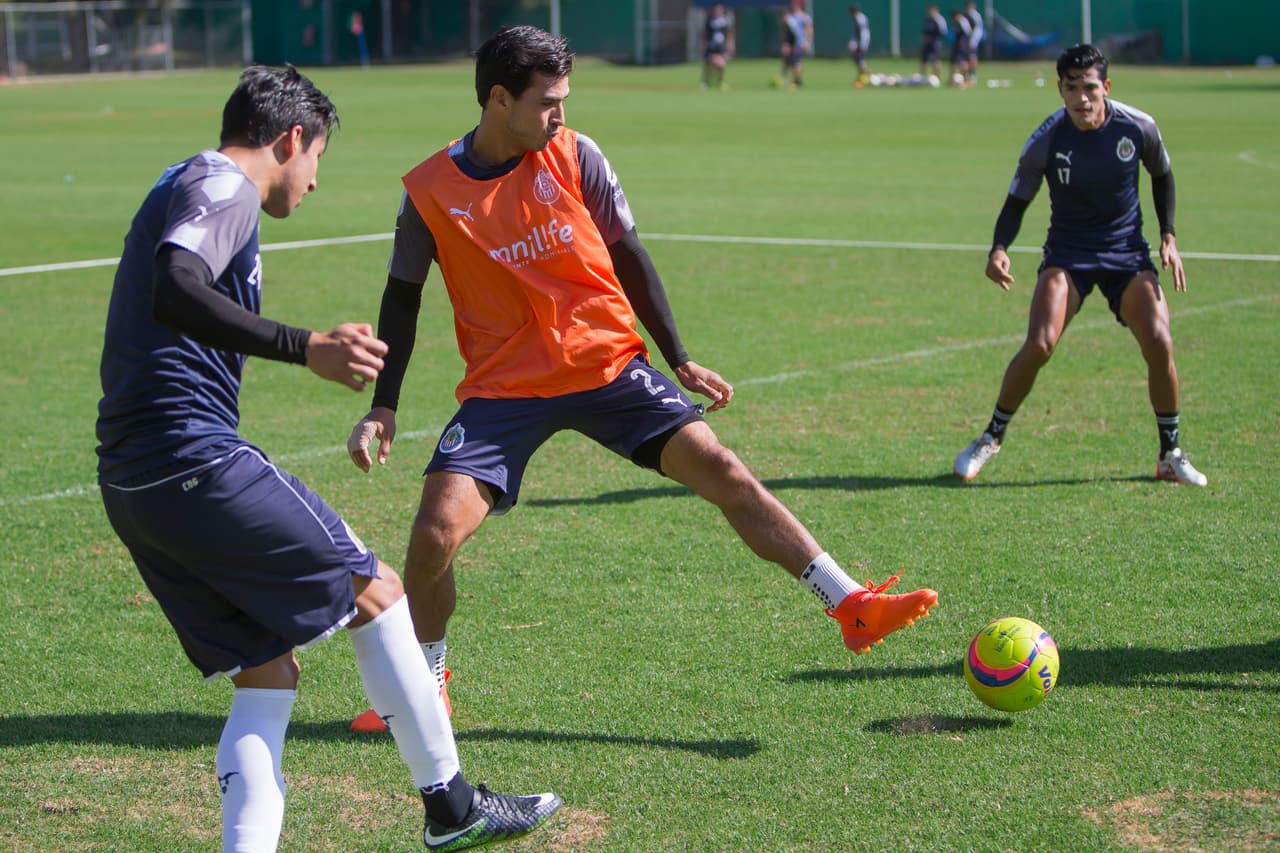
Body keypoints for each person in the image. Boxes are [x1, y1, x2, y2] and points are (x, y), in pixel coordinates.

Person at [346, 25, 939, 729]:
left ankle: (851, 604)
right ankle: (426, 684)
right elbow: (401, 298)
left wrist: (679, 355)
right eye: (548, 102)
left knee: (724, 469)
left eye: (564, 100)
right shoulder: (430, 192)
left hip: (606, 363)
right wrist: (384, 405)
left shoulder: (575, 154)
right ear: (498, 99)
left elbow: (629, 254)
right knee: (435, 532)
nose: (561, 116)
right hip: (505, 385)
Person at [95, 65, 560, 852]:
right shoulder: (225, 185)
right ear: (291, 139)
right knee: (377, 588)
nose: (312, 184)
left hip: (132, 483)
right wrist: (303, 344)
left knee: (268, 673)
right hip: (191, 458)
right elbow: (175, 286)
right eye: (316, 161)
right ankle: (452, 808)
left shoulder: (186, 179)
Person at [953, 44, 1207, 487]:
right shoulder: (1047, 140)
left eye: (1090, 88)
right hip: (1068, 254)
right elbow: (1017, 201)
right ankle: (991, 437)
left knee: (1161, 340)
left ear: (1106, 87)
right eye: (1072, 89)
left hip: (1126, 254)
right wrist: (999, 247)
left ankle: (1170, 453)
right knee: (1040, 343)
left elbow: (1162, 174)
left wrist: (1169, 235)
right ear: (1060, 91)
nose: (1082, 99)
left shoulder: (1138, 126)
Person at [778, 0, 814, 89]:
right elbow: (788, 32)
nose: (793, 5)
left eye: (795, 4)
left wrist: (808, 42)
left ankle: (797, 81)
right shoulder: (791, 16)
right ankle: (788, 80)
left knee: (796, 62)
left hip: (799, 44)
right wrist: (786, 44)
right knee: (789, 62)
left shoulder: (804, 16)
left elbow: (809, 30)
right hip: (793, 44)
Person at [701, 3, 734, 90]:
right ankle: (705, 82)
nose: (718, 11)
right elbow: (704, 34)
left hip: (721, 47)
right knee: (708, 64)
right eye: (716, 9)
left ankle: (720, 82)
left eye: (720, 9)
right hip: (711, 46)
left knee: (722, 65)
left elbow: (729, 34)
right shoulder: (709, 21)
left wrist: (730, 45)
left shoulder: (725, 21)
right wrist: (703, 44)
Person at [920, 4, 948, 81]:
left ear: (935, 11)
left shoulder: (939, 20)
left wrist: (933, 38)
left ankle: (937, 77)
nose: (929, 13)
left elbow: (943, 32)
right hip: (927, 43)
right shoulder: (928, 19)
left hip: (935, 43)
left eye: (931, 11)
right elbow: (925, 31)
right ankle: (923, 77)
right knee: (924, 60)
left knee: (936, 60)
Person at [948, 8, 973, 86]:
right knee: (952, 63)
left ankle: (967, 80)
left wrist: (966, 44)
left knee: (963, 63)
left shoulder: (963, 22)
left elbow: (968, 33)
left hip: (963, 46)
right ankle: (952, 80)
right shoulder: (955, 23)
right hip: (956, 46)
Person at [848, 4, 871, 87]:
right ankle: (861, 78)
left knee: (861, 62)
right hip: (862, 42)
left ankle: (868, 77)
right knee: (858, 61)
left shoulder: (859, 19)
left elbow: (862, 33)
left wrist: (857, 44)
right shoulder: (861, 17)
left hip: (862, 43)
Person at [964, 1, 985, 85]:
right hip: (967, 41)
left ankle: (973, 75)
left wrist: (973, 41)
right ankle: (968, 75)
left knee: (973, 57)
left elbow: (978, 30)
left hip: (973, 41)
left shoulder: (975, 16)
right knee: (967, 58)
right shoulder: (967, 15)